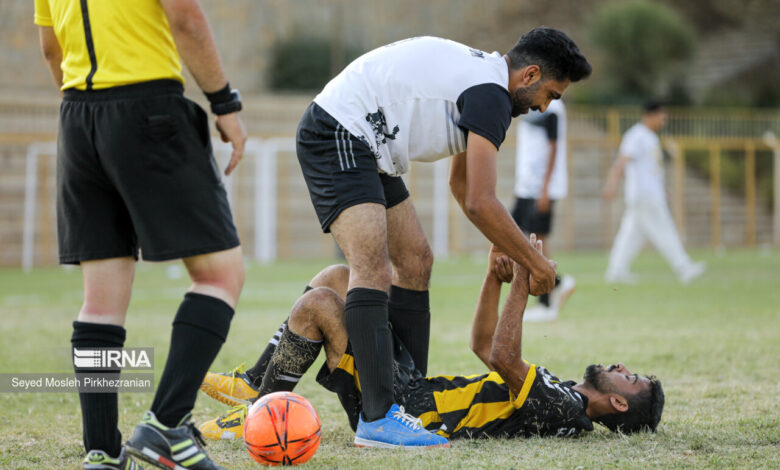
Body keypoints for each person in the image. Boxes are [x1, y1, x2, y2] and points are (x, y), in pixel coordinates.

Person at [294, 27, 591, 447]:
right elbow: (479, 201)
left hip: (369, 141)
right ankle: (377, 421)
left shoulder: (484, 83)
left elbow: (461, 185)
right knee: (371, 270)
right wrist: (535, 263)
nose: (544, 107)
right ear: (530, 75)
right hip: (342, 130)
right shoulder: (491, 96)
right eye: (551, 95)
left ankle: (403, 400)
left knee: (416, 261)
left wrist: (508, 247)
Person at [35, 0, 247, 468]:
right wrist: (225, 103)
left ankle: (102, 451)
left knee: (100, 302)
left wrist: (89, 121)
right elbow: (185, 16)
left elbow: (52, 48)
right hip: (147, 107)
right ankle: (167, 426)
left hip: (77, 118)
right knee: (221, 276)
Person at [197, 246, 664, 442]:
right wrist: (493, 278)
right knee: (338, 277)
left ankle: (257, 410)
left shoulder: (567, 409)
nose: (623, 366)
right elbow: (484, 345)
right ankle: (255, 382)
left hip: (407, 410)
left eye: (632, 376)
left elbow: (503, 354)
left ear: (619, 403)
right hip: (414, 389)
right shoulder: (562, 396)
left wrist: (524, 277)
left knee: (319, 303)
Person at [603, 101, 706, 284]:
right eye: (661, 115)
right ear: (650, 115)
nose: (663, 119)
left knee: (631, 234)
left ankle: (616, 270)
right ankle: (683, 267)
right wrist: (612, 184)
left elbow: (652, 169)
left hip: (650, 193)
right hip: (644, 195)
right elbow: (622, 161)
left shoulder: (651, 138)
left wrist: (662, 188)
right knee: (664, 229)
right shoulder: (636, 136)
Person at [511, 99, 576, 322]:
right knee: (514, 233)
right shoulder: (531, 102)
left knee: (538, 239)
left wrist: (545, 189)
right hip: (526, 185)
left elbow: (554, 146)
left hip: (540, 187)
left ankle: (547, 302)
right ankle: (557, 283)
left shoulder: (553, 107)